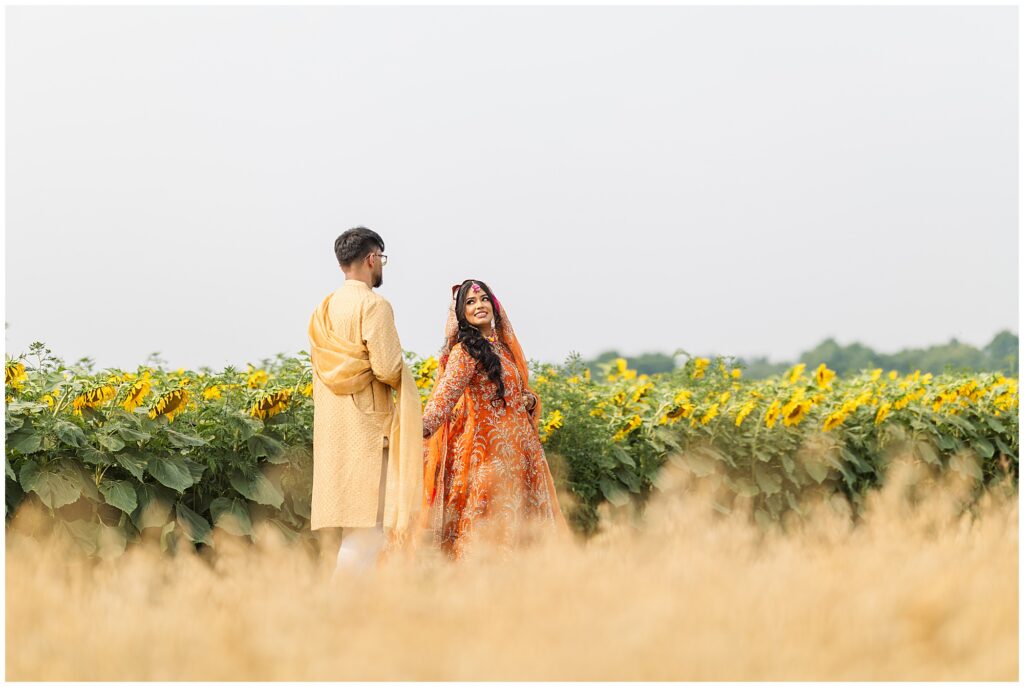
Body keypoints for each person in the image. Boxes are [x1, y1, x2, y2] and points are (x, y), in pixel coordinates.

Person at [420, 279, 568, 560]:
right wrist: (420, 428)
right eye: (470, 302)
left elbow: (522, 393)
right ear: (461, 314)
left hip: (523, 457)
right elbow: (445, 397)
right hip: (490, 459)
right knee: (489, 535)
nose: (479, 306)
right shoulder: (465, 353)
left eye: (484, 299)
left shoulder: (505, 350)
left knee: (524, 535)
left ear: (495, 306)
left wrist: (530, 401)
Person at [307, 227, 422, 576]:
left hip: (334, 428)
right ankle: (345, 610)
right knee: (369, 526)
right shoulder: (374, 305)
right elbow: (387, 368)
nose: (381, 266)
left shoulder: (323, 309)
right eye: (381, 259)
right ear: (372, 258)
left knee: (352, 526)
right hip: (370, 432)